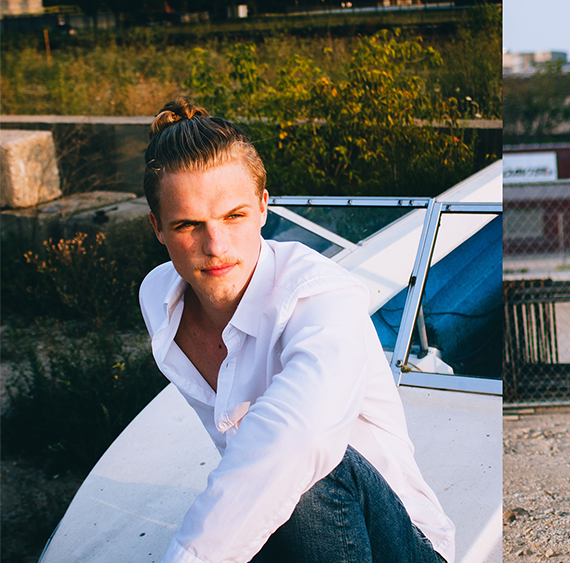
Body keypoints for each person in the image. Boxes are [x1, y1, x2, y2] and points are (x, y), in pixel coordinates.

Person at [138, 99, 454, 563]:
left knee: (311, 462)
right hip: (284, 534)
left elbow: (298, 437)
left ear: (264, 207)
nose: (216, 246)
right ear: (158, 229)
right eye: (188, 225)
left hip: (399, 544)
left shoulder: (322, 294)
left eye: (234, 216)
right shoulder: (159, 298)